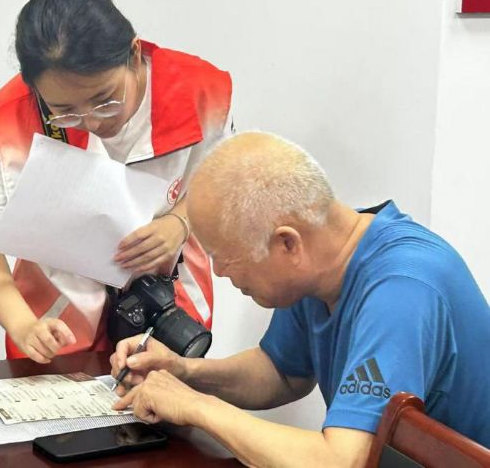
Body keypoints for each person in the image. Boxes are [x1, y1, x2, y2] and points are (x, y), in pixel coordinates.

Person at [111, 132, 490, 465]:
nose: (221, 273)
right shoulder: (325, 255)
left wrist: (196, 406)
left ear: (287, 244)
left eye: (226, 257)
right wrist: (184, 373)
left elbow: (343, 461)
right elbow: (281, 373)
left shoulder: (401, 291)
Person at [0, 0, 233, 363]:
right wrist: (22, 324)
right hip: (58, 323)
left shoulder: (198, 92)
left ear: (134, 54)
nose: (91, 121)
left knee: (166, 397)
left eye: (105, 100)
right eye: (64, 110)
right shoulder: (14, 120)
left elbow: (225, 177)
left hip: (167, 308)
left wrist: (181, 222)